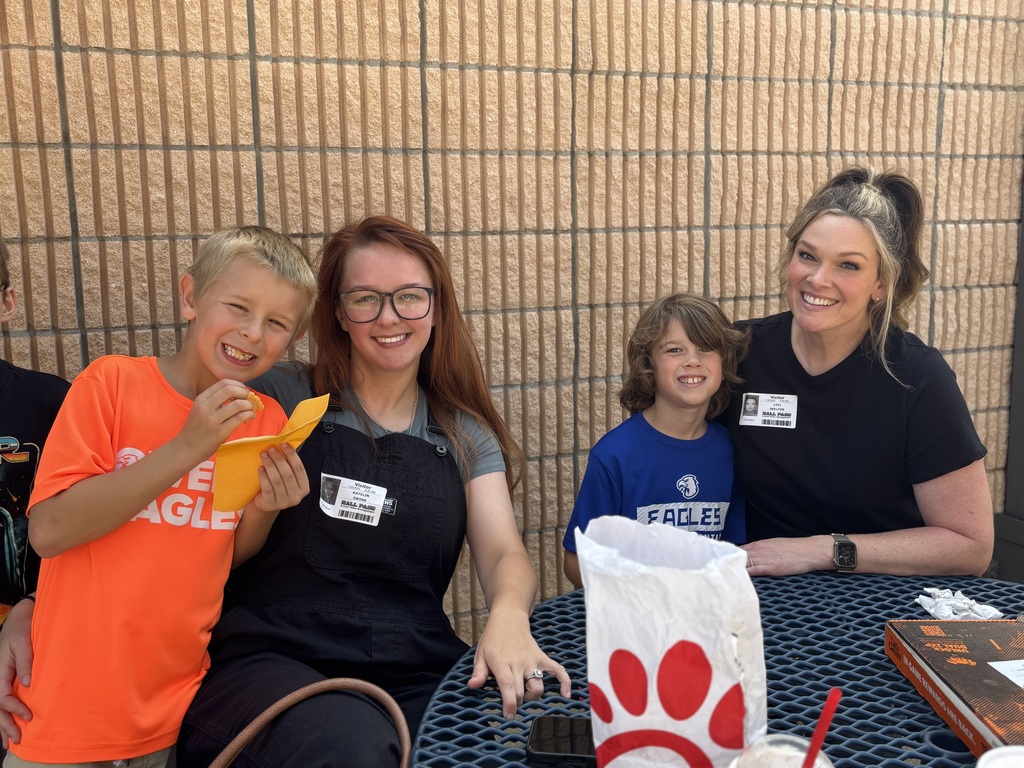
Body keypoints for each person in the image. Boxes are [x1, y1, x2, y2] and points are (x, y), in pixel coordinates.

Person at [167, 215, 571, 766]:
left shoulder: (461, 432)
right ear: (337, 311)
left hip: (416, 660)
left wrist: (507, 619)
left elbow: (503, 552)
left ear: (435, 307)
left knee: (498, 747)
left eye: (409, 297)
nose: (389, 317)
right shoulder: (280, 395)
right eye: (365, 299)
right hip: (274, 657)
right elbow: (176, 513)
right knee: (351, 743)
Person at [0, 226, 318, 767]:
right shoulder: (111, 384)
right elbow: (49, 531)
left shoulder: (264, 420)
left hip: (174, 706)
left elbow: (222, 550)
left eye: (276, 323)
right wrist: (187, 447)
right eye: (238, 307)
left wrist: (264, 509)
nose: (251, 332)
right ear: (191, 296)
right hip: (67, 705)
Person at [721, 167, 993, 577]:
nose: (818, 279)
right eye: (807, 255)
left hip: (882, 606)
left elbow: (970, 546)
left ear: (880, 283)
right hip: (763, 597)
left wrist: (823, 550)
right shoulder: (739, 354)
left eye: (848, 265)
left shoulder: (915, 377)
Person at [562, 293, 750, 589]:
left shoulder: (731, 451)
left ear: (724, 362)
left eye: (706, 348)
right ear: (648, 364)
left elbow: (734, 549)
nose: (692, 361)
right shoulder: (615, 456)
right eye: (675, 350)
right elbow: (575, 562)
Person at [0, 242, 70, 624]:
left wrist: (34, 603)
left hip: (42, 629)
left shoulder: (54, 403)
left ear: (7, 301)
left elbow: (98, 533)